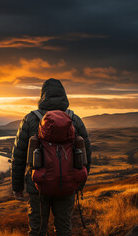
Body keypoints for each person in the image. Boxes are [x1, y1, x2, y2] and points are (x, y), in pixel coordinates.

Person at [11, 78, 92, 236]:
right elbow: (87, 155)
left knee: (37, 229)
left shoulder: (30, 119)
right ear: (64, 96)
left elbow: (18, 156)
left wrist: (17, 187)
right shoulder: (75, 120)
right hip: (67, 186)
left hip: (37, 186)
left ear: (43, 96)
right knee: (64, 229)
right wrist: (79, 185)